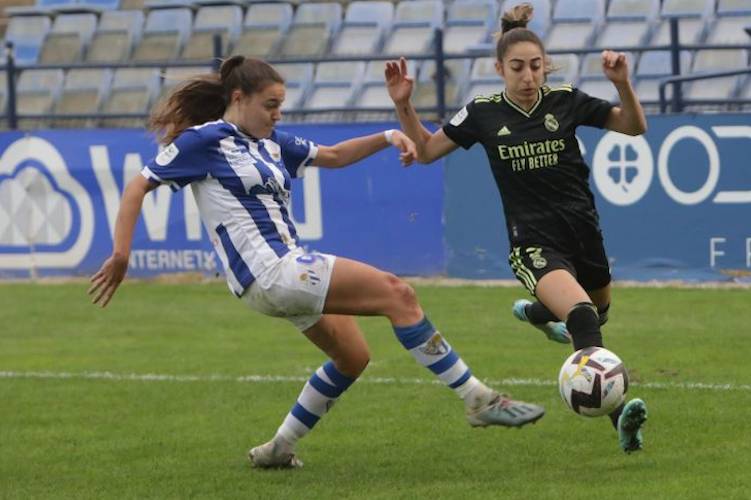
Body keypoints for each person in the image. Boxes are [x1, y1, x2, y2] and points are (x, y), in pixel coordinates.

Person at [88, 56, 546, 469]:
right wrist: (122, 254)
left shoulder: (269, 143)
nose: (277, 113)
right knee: (398, 293)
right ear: (238, 98)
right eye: (270, 104)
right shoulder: (204, 141)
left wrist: (390, 135)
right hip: (275, 271)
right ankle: (478, 398)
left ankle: (279, 447)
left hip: (280, 276)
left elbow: (332, 155)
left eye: (281, 105)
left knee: (352, 357)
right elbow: (137, 185)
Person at [385, 3, 648, 453]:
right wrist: (404, 104)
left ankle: (535, 313)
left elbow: (633, 126)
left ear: (545, 66)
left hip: (583, 232)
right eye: (517, 68)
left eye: (535, 66)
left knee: (596, 312)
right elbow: (426, 152)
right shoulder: (483, 113)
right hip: (533, 241)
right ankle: (619, 419)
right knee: (584, 318)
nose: (528, 77)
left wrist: (622, 84)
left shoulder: (565, 100)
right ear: (499, 69)